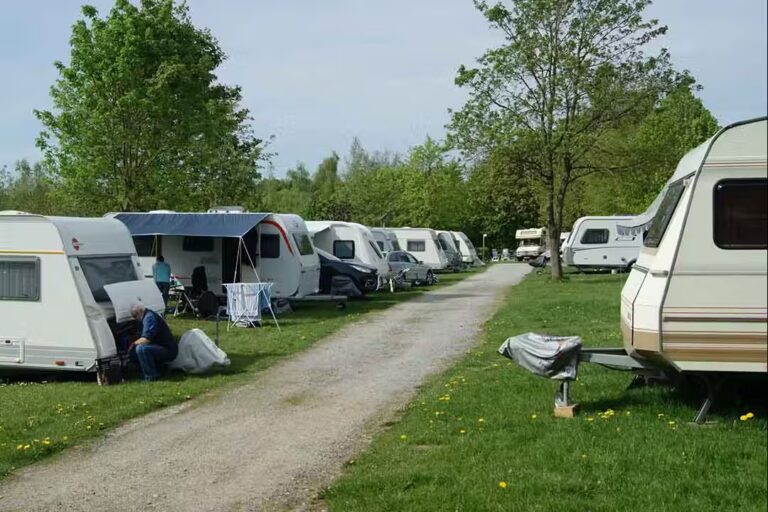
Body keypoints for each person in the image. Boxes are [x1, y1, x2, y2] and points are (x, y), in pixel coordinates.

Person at [128, 304, 178, 381]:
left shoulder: (149, 318)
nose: (136, 319)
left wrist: (133, 344)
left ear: (140, 312)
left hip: (168, 350)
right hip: (159, 347)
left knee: (141, 349)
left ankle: (151, 377)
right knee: (135, 351)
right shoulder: (148, 315)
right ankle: (157, 369)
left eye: (135, 316)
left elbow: (146, 339)